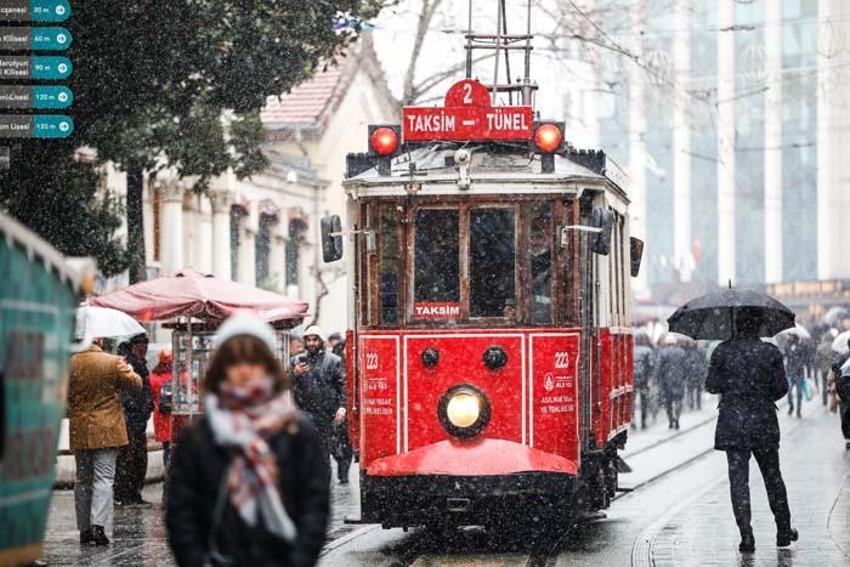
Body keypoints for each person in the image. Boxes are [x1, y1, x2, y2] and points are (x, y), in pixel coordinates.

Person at [167, 313, 330, 567]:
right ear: (221, 367)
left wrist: (299, 560)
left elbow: (314, 505)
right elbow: (182, 509)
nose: (244, 370)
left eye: (253, 360)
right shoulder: (199, 436)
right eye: (234, 361)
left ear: (267, 365)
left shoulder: (295, 431)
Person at [705, 316, 797, 553]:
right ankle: (783, 531)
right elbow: (781, 388)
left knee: (738, 481)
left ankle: (746, 536)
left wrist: (732, 385)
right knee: (773, 477)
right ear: (759, 326)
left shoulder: (722, 351)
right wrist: (761, 396)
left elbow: (711, 386)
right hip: (763, 423)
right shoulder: (770, 352)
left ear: (735, 325)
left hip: (733, 423)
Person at [68, 337, 142, 546]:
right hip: (107, 429)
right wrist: (127, 367)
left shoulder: (71, 363)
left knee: (82, 480)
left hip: (81, 428)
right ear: (99, 340)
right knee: (104, 478)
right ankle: (98, 527)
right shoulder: (113, 362)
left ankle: (83, 529)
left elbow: (64, 395)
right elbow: (136, 384)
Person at [290, 325, 346, 478]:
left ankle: (323, 492)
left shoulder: (334, 361)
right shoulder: (296, 361)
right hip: (302, 415)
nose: (312, 343)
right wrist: (294, 374)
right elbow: (283, 385)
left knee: (323, 457)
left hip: (325, 416)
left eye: (315, 340)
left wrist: (342, 407)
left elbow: (342, 386)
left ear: (320, 341)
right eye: (308, 340)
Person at [115, 333, 154, 506]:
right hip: (129, 419)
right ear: (134, 346)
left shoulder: (140, 364)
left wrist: (147, 406)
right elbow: (123, 391)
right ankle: (124, 495)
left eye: (146, 346)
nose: (144, 349)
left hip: (138, 419)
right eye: (141, 346)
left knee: (139, 459)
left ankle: (134, 493)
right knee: (128, 458)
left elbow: (145, 390)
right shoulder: (126, 364)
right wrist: (136, 408)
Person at [330, 338, 354, 484]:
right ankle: (341, 463)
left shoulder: (352, 364)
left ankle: (344, 471)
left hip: (349, 407)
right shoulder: (336, 364)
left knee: (347, 442)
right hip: (335, 406)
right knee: (334, 441)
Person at [653, 335, 688, 430]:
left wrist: (656, 378)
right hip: (679, 380)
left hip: (666, 381)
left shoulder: (662, 353)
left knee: (668, 402)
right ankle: (677, 417)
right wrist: (684, 377)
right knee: (678, 400)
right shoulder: (682, 352)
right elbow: (686, 367)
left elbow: (658, 367)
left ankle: (670, 420)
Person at [149, 349, 174, 469]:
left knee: (167, 447)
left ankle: (168, 471)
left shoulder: (154, 377)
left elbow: (151, 396)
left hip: (161, 416)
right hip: (177, 416)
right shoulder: (180, 375)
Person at [830, 337, 850, 450]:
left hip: (845, 391)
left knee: (846, 413)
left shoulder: (844, 357)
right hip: (845, 390)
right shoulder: (845, 358)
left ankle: (848, 437)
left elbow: (835, 369)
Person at [632, 333, 654, 430]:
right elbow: (651, 365)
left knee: (631, 401)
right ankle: (643, 421)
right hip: (643, 380)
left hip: (632, 379)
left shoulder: (631, 350)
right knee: (644, 401)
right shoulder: (648, 351)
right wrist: (650, 378)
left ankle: (632, 419)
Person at [783, 335, 806, 418]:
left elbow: (804, 358)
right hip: (790, 372)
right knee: (789, 391)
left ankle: (798, 410)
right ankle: (791, 406)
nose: (789, 337)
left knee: (799, 393)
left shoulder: (801, 346)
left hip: (799, 373)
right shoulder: (787, 345)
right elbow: (785, 355)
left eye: (791, 336)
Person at [683, 340, 707, 411]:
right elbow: (704, 363)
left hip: (690, 374)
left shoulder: (687, 353)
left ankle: (691, 405)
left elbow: (685, 365)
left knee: (691, 390)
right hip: (698, 374)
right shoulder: (701, 352)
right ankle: (698, 405)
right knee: (698, 391)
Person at [816, 333, 837, 407]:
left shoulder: (820, 347)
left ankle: (824, 401)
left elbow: (817, 360)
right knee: (833, 384)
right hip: (832, 369)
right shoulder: (834, 347)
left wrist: (818, 366)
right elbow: (836, 358)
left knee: (824, 384)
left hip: (823, 368)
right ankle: (833, 399)